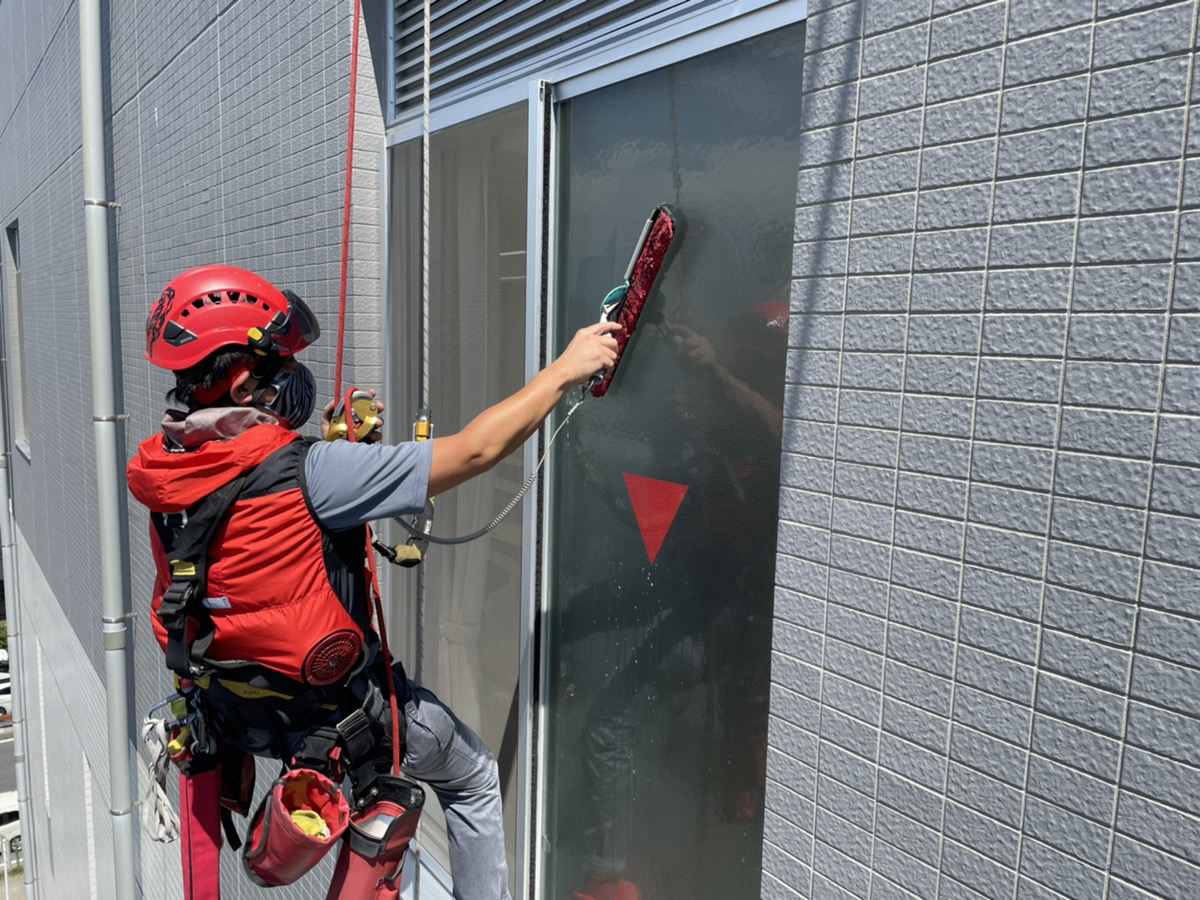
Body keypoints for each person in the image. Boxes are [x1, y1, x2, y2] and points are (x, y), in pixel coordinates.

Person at [127, 264, 619, 900]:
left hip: (242, 717)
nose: (291, 382)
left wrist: (340, 456)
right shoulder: (317, 472)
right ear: (246, 384)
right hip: (340, 721)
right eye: (280, 371)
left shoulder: (166, 474)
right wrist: (565, 369)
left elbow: (251, 533)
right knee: (472, 779)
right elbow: (473, 452)